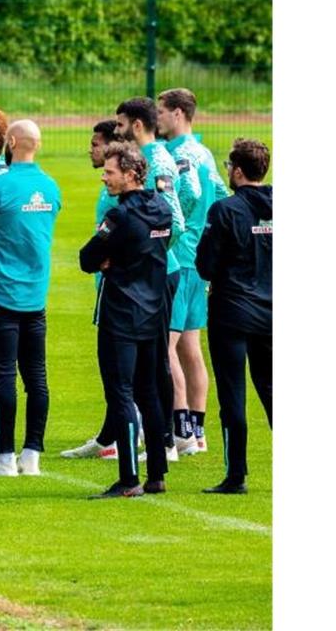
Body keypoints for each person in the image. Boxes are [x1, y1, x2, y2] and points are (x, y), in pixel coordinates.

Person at [0, 120, 62, 477]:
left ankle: (4, 456)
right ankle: (32, 453)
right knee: (36, 376)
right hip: (36, 296)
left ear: (10, 142)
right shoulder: (51, 188)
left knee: (2, 376)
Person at [79, 143, 173, 497]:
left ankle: (129, 477)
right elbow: (158, 246)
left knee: (120, 393)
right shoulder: (162, 209)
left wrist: (110, 259)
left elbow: (88, 258)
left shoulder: (119, 217)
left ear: (131, 174)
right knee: (149, 393)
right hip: (153, 312)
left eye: (110, 172)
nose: (104, 177)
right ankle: (157, 474)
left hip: (121, 314)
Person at [196, 138, 272, 495]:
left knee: (233, 393)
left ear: (238, 171)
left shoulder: (225, 210)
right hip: (272, 310)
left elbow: (206, 266)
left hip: (232, 311)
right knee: (273, 390)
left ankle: (236, 474)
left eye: (228, 166)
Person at [158, 88, 229, 455]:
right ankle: (197, 432)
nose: (158, 118)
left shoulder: (179, 154)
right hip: (199, 259)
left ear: (179, 113)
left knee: (165, 346)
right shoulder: (204, 151)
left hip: (180, 259)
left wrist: (178, 226)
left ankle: (179, 431)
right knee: (190, 344)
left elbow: (189, 191)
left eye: (162, 111)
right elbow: (219, 193)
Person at [115, 97, 186, 462]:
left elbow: (175, 219)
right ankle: (136, 435)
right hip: (146, 274)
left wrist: (145, 254)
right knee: (145, 361)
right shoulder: (142, 159)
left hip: (157, 274)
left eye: (120, 124)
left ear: (137, 125)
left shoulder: (157, 161)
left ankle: (167, 442)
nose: (116, 130)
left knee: (156, 360)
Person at [61, 120, 128, 460]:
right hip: (118, 282)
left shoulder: (122, 197)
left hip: (125, 287)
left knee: (125, 365)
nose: (91, 150)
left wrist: (111, 258)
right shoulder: (112, 191)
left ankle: (147, 437)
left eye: (96, 144)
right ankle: (112, 434)